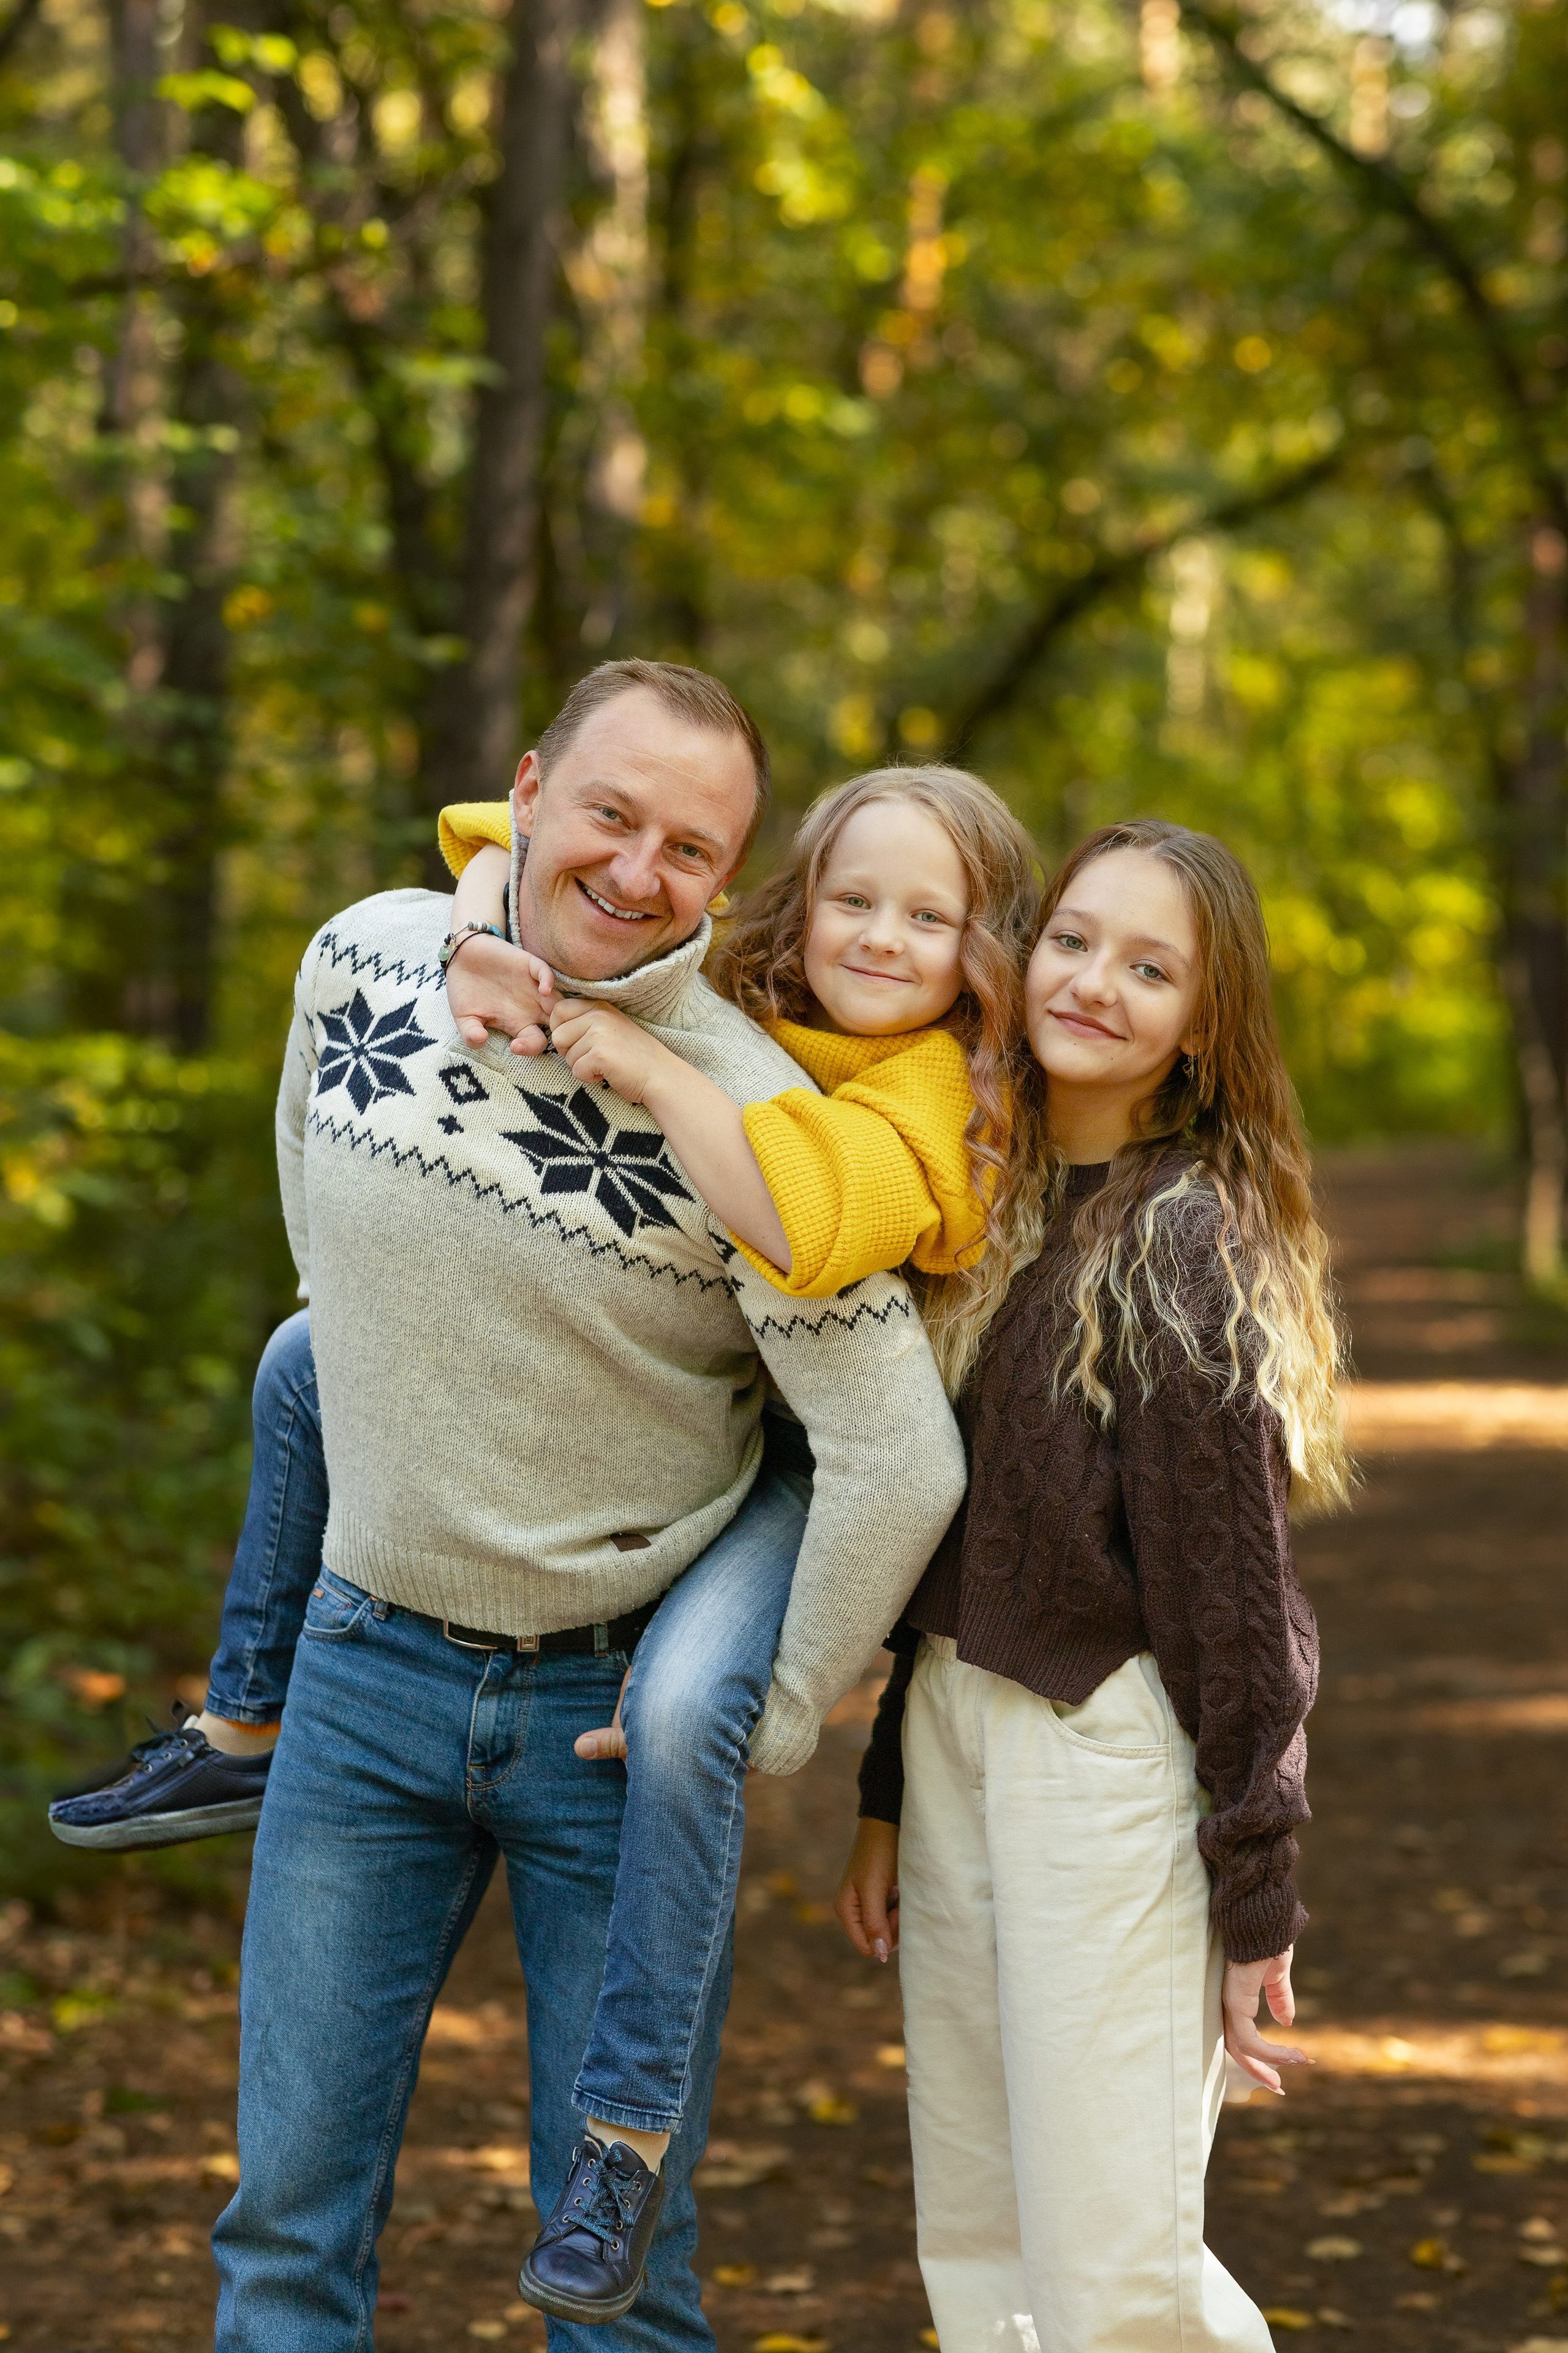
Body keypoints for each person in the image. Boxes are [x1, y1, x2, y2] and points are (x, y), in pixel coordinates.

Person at [176, 657, 965, 2353]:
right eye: (611, 812)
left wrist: (771, 1702)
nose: (637, 868)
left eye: (691, 848)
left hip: (601, 1719)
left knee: (622, 2286)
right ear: (526, 792)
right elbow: (324, 1261)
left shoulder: (755, 1119)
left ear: (729, 879)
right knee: (283, 2232)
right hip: (357, 1673)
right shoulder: (368, 956)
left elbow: (898, 1454)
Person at [834, 819, 1346, 2353]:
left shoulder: (1184, 1242)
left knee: (1113, 2260)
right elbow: (942, 1538)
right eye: (1072, 939)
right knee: (979, 2235)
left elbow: (1234, 1604)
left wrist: (1255, 1892)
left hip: (1099, 1757)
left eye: (1148, 967)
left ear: (1201, 1023)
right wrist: (886, 1788)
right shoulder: (974, 1200)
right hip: (954, 1738)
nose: (1093, 983)